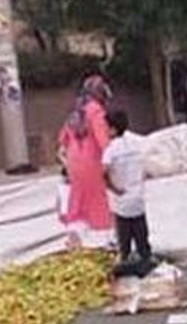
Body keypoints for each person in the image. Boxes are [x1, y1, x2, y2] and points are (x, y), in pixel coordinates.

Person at [57, 74, 114, 248]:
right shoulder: (96, 111)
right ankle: (103, 242)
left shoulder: (76, 112)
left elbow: (62, 142)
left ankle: (74, 238)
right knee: (97, 202)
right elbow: (103, 142)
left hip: (74, 163)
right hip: (91, 162)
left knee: (78, 201)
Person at [101, 109, 151, 265]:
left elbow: (103, 173)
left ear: (113, 129)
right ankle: (146, 262)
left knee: (124, 241)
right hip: (138, 199)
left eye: (106, 127)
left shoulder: (111, 150)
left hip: (121, 202)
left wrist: (114, 188)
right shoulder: (136, 144)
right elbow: (145, 169)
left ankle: (126, 265)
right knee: (142, 238)